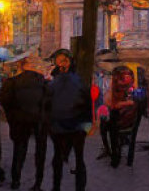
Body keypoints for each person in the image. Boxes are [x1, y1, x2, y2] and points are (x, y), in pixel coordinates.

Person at [45, 49, 91, 191]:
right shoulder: (79, 82)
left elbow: (46, 107)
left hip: (61, 128)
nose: (61, 64)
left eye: (63, 61)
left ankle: (57, 187)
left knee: (60, 158)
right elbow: (87, 107)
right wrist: (86, 128)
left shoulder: (53, 84)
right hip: (75, 128)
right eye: (59, 61)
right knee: (76, 159)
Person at [0, 56, 48, 189]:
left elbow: (4, 101)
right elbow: (49, 102)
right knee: (40, 151)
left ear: (21, 66)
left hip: (20, 120)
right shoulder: (42, 81)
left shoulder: (13, 82)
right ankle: (38, 183)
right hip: (39, 120)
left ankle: (16, 180)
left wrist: (12, 119)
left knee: (19, 150)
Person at [102, 65, 140, 168]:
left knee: (107, 123)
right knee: (107, 121)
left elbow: (112, 104)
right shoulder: (129, 90)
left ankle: (114, 156)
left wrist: (122, 104)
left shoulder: (128, 90)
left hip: (124, 122)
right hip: (128, 121)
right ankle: (112, 150)